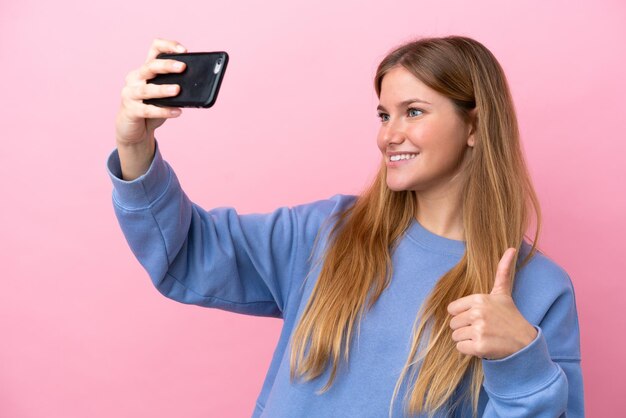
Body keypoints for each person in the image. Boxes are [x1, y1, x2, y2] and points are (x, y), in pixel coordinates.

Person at [106, 36, 584, 417]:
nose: (387, 135)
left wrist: (520, 363)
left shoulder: (540, 289)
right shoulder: (326, 232)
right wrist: (136, 145)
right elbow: (188, 252)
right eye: (383, 114)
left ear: (475, 127)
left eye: (413, 111)